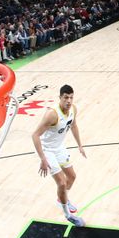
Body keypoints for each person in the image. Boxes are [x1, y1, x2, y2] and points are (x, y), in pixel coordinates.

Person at [32, 84, 86, 226]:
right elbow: (35, 135)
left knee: (72, 177)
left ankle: (61, 199)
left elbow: (73, 125)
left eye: (71, 97)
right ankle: (68, 215)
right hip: (47, 150)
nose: (69, 101)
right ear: (60, 98)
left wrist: (80, 145)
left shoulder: (73, 109)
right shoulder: (52, 114)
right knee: (61, 183)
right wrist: (43, 159)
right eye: (66, 97)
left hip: (59, 148)